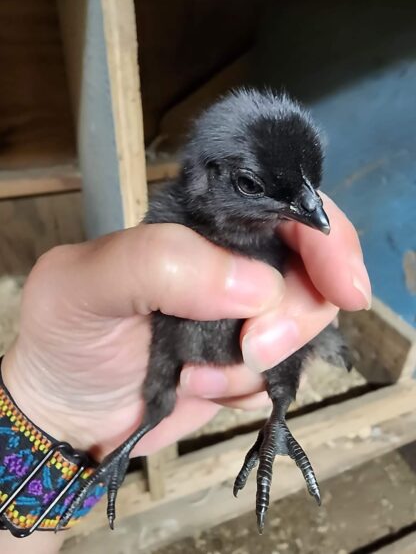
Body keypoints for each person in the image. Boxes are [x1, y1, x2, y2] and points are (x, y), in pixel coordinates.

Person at [0, 194, 371, 553]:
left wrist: (48, 417)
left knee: (281, 326)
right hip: (174, 354)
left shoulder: (262, 232)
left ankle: (278, 412)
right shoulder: (183, 224)